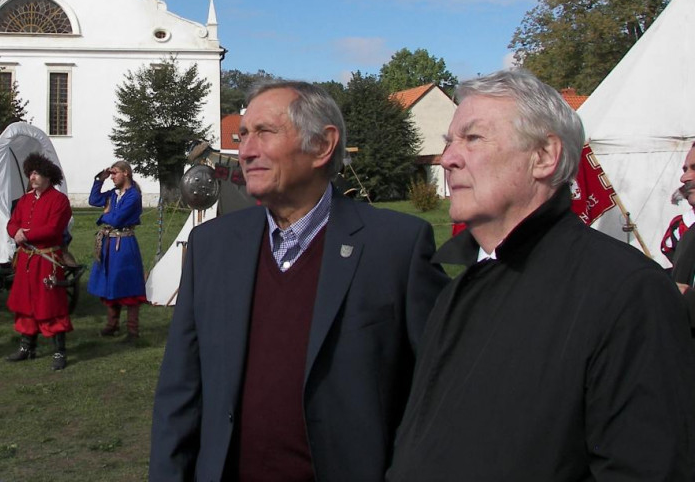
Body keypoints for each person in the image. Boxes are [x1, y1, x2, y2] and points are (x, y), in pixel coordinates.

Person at [387, 70, 695, 481]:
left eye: (473, 139)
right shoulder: (456, 290)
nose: (448, 159)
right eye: (448, 143)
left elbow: (647, 466)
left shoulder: (627, 292)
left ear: (545, 157)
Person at [149, 81, 449, 481]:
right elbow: (180, 393)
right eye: (243, 136)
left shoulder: (396, 247)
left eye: (265, 133)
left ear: (323, 146)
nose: (246, 151)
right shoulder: (212, 247)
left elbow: (438, 395)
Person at [5, 153, 74, 371]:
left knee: (51, 304)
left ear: (47, 176)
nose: (32, 177)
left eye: (37, 173)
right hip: (26, 260)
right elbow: (12, 222)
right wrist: (15, 231)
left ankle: (59, 351)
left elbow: (53, 228)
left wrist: (26, 234)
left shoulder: (59, 200)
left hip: (47, 259)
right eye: (31, 173)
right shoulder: (25, 199)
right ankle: (27, 347)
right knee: (25, 304)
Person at [87, 160, 146, 340]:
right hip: (110, 244)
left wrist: (104, 216)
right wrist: (99, 180)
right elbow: (93, 199)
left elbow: (118, 219)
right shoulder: (113, 194)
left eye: (115, 173)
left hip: (125, 244)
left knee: (128, 283)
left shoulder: (133, 196)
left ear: (126, 173)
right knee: (111, 281)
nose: (112, 177)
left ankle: (132, 330)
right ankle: (112, 325)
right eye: (111, 174)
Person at [668, 142, 695, 334]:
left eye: (694, 168)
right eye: (685, 169)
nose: (684, 177)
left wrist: (686, 297)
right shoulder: (689, 236)